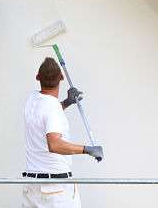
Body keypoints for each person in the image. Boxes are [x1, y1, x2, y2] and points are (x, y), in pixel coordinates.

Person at [22, 57, 103, 208]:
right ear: (62, 78)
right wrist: (87, 149)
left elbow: (47, 112)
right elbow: (53, 144)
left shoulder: (31, 99)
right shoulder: (52, 108)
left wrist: (66, 102)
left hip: (31, 186)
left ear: (38, 77)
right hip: (55, 189)